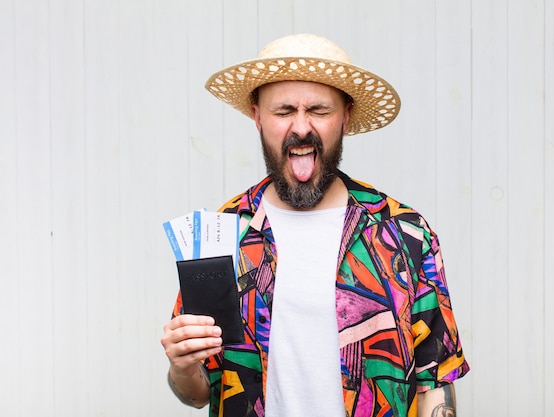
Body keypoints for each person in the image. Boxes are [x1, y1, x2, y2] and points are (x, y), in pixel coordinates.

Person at [161, 33, 469, 417]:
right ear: (257, 116)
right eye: (284, 110)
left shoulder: (405, 234)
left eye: (320, 111)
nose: (302, 128)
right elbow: (197, 394)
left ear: (346, 115)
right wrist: (182, 365)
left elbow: (435, 383)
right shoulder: (221, 235)